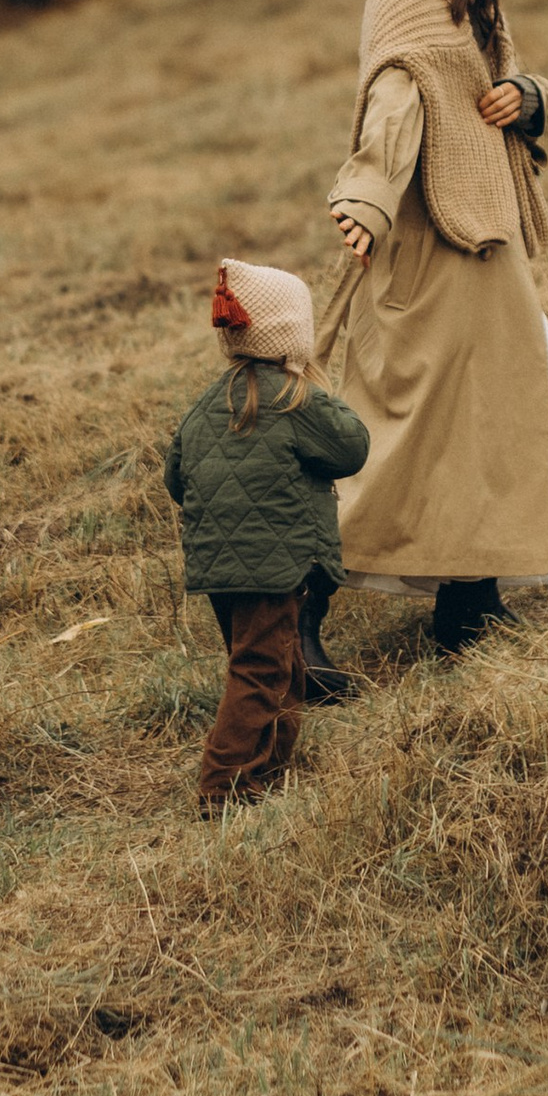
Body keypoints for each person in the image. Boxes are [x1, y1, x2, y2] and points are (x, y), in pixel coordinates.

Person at [321, 0, 548, 657]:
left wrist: (532, 98)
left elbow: (496, 78)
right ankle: (302, 612)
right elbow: (394, 102)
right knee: (404, 428)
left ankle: (469, 606)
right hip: (427, 242)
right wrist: (368, 199)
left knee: (492, 416)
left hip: (491, 236)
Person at [163, 258, 371, 814]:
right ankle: (222, 787)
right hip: (275, 565)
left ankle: (270, 767)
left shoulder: (207, 404)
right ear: (291, 336)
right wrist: (321, 390)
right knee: (260, 670)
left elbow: (175, 478)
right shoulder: (293, 397)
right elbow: (352, 447)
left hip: (219, 568)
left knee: (281, 667)